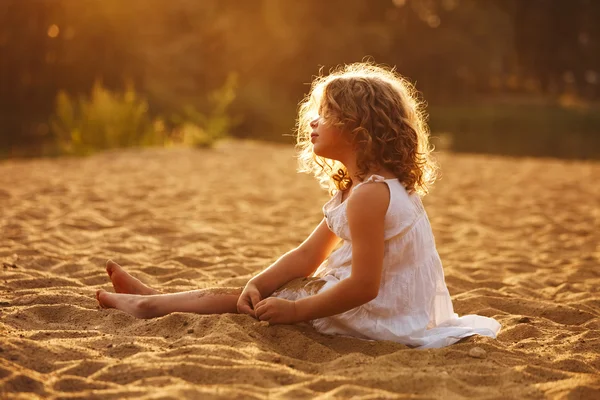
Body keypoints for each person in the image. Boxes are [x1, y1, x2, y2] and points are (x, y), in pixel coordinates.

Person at [96, 62, 501, 349]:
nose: (313, 121)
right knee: (254, 292)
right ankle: (156, 299)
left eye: (326, 113)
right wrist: (259, 280)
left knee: (257, 303)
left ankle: (148, 304)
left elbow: (365, 285)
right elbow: (308, 254)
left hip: (378, 317)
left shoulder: (370, 196)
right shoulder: (362, 189)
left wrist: (299, 312)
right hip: (375, 306)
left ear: (360, 128)